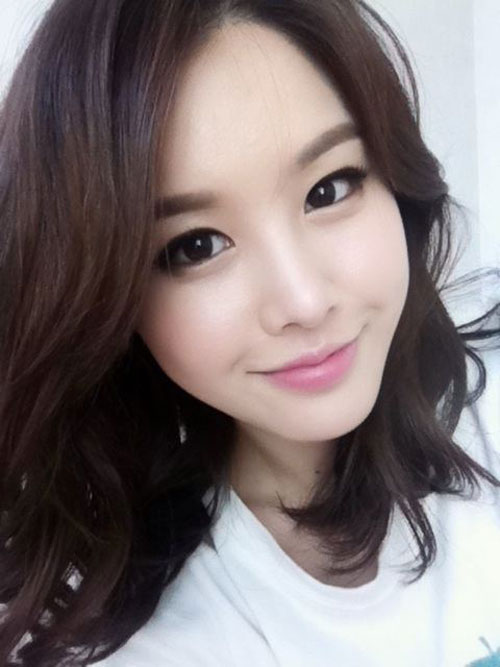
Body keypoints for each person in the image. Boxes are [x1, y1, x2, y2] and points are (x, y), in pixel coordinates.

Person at [0, 0, 499, 665]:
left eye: (329, 189)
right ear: (110, 300)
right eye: (196, 245)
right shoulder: (151, 641)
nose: (304, 301)